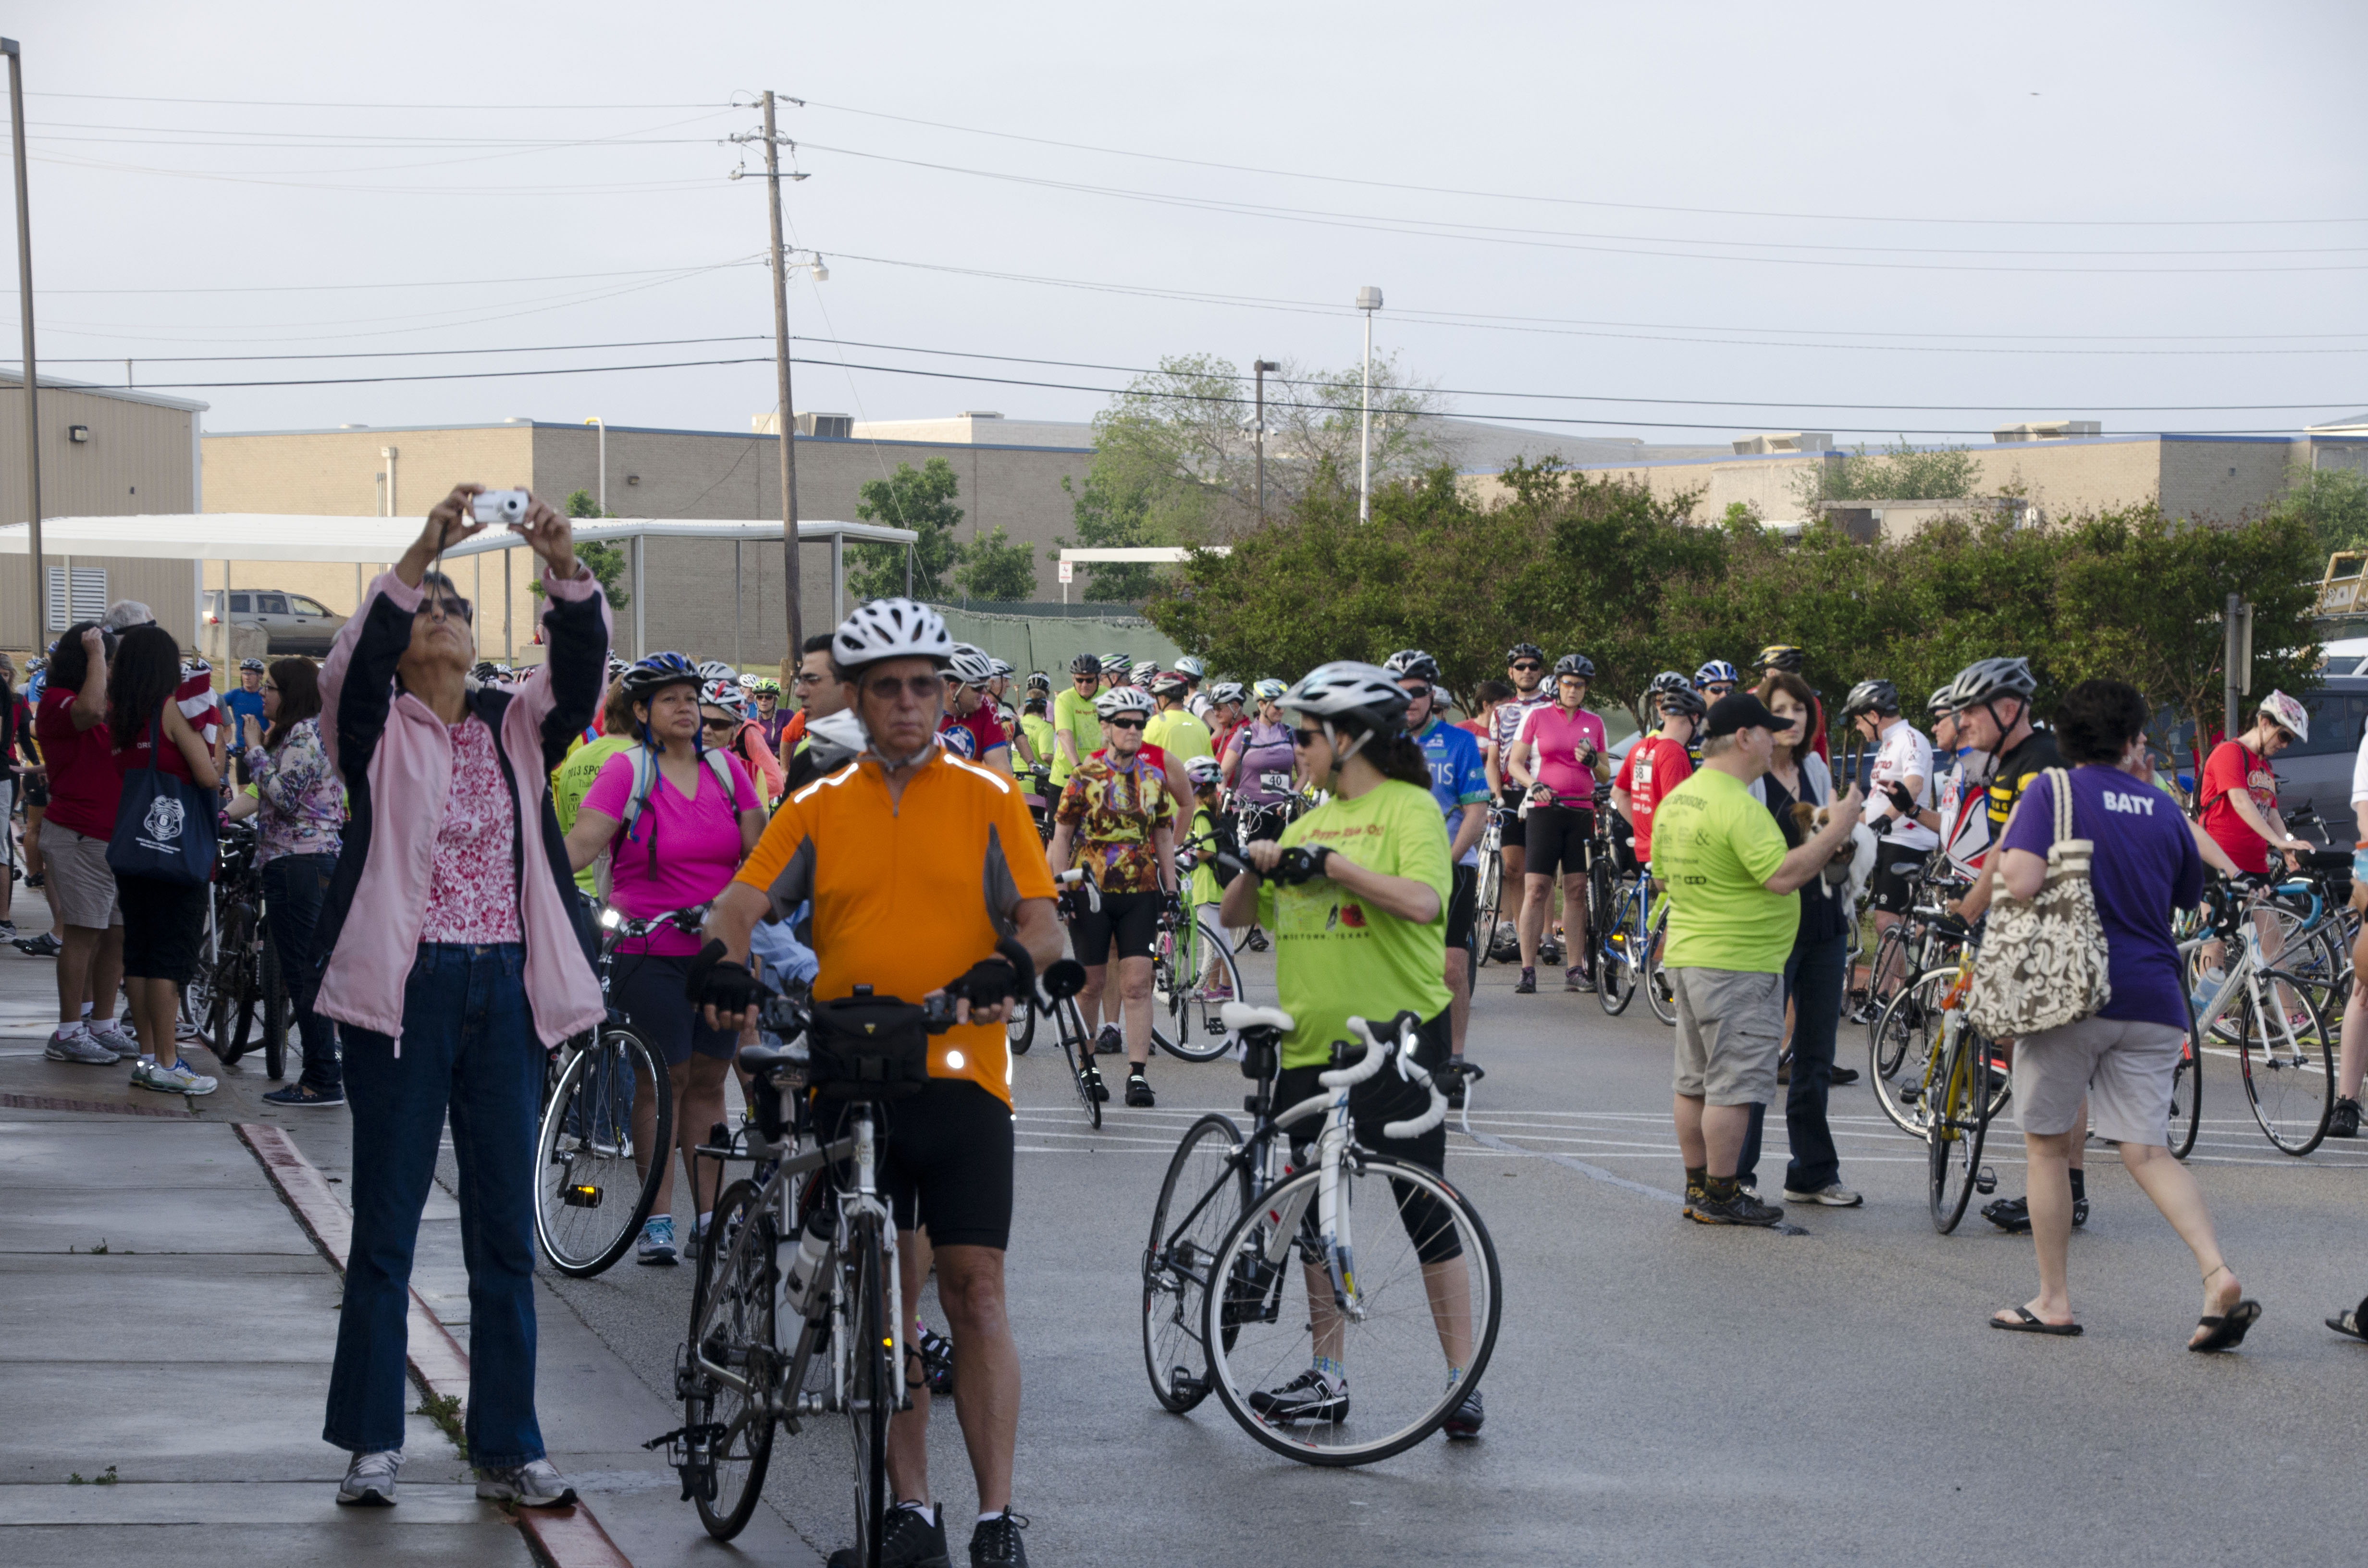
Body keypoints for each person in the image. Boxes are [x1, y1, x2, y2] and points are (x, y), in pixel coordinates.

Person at [694, 595, 1060, 1568]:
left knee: (976, 1292)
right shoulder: (818, 805)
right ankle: (912, 1506)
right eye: (887, 687)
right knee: (886, 1300)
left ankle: (995, 1517)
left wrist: (1009, 963)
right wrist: (722, 958)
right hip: (852, 1069)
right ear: (856, 699)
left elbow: (1043, 921)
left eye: (924, 686)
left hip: (963, 1073)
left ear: (944, 694)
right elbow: (740, 901)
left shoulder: (987, 796)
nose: (908, 703)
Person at [312, 484, 607, 1511]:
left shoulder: (515, 725)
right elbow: (352, 663)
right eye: (424, 608)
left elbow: (580, 673)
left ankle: (509, 1448)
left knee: (503, 1239)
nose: (440, 615)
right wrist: (423, 547)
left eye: (456, 606)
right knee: (386, 1229)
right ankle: (371, 1445)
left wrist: (562, 566)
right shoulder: (370, 728)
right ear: (398, 643)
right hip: (407, 995)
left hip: (506, 992)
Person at [1213, 661, 1482, 1439]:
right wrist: (1254, 860)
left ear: (1350, 738)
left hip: (1395, 1038)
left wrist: (1332, 868)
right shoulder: (1307, 819)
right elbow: (1237, 915)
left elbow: (1424, 901)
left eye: (1305, 736)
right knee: (1313, 1212)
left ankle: (1461, 1378)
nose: (1292, 747)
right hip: (1309, 1042)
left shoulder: (1408, 808)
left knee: (1423, 1206)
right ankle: (1326, 1375)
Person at [1984, 679, 2258, 1351]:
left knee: (2048, 1147)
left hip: (2072, 993)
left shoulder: (2052, 791)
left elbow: (2020, 880)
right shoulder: (2162, 806)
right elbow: (2186, 894)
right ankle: (2215, 1272)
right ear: (2135, 739)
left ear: (2066, 736)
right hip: (2155, 998)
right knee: (2147, 1151)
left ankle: (2052, 1301)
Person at [564, 656, 765, 1265]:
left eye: (691, 698)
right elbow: (580, 845)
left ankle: (709, 1218)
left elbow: (764, 854)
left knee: (707, 1083)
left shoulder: (727, 771)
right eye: (671, 699)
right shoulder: (626, 771)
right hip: (648, 949)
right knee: (663, 1081)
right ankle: (657, 1221)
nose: (686, 708)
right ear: (641, 710)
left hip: (719, 956)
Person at [1653, 692, 1861, 1227]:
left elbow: (1661, 877)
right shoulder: (1739, 806)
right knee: (1733, 1085)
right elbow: (1783, 876)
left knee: (1693, 1082)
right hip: (1738, 962)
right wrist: (1838, 828)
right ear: (1744, 738)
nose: (1776, 740)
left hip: (1691, 953)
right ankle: (1722, 1192)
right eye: (1768, 731)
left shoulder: (1681, 799)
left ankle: (1697, 1186)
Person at [1946, 657, 2084, 1236]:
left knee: (2051, 1063)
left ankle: (2065, 1188)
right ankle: (2063, 1186)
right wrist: (1969, 907)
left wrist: (1981, 912)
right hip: (2020, 922)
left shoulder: (2040, 764)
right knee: (2034, 1056)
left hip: (2049, 927)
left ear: (2007, 709)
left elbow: (2027, 857)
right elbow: (2001, 845)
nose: (1960, 722)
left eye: (1970, 711)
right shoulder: (2007, 763)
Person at [1736, 671, 1858, 1206]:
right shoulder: (1749, 778)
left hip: (1825, 922)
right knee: (1759, 1053)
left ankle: (1812, 1172)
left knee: (1815, 1054)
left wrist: (1845, 841)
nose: (1793, 719)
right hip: (1770, 927)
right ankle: (1735, 1175)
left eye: (1801, 709)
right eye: (1781, 709)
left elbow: (1829, 835)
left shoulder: (1814, 768)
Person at [106, 626, 225, 1093]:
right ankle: (170, 1062)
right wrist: (220, 740)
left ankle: (148, 1059)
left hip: (133, 851)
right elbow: (208, 776)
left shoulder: (121, 716)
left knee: (139, 955)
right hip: (175, 855)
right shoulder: (170, 710)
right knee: (170, 960)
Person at [1048, 684, 1179, 1108]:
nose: (1133, 730)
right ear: (1105, 727)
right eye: (1124, 723)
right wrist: (1059, 888)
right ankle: (1087, 1066)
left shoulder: (1153, 778)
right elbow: (1062, 835)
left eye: (1140, 723)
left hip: (1141, 891)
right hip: (1090, 891)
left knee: (1138, 985)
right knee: (1091, 985)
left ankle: (1137, 1075)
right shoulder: (1084, 776)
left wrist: (1171, 890)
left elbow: (1163, 836)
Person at [243, 659, 347, 1107]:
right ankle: (321, 1072)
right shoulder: (309, 733)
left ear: (292, 693)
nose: (262, 694)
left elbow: (285, 796)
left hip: (299, 864)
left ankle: (321, 1077)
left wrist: (254, 750)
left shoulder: (306, 734)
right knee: (309, 971)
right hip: (303, 864)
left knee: (306, 975)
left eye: (270, 687)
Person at [34, 623, 137, 1067]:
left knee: (115, 932)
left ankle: (102, 1023)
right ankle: (68, 1031)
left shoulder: (103, 699)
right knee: (83, 932)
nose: (111, 670)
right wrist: (96, 653)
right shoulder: (58, 701)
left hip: (112, 834)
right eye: (107, 662)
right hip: (80, 833)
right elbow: (90, 711)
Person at [1390, 651, 1489, 1068]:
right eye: (1399, 693)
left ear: (1432, 695)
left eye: (1417, 692)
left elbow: (1477, 811)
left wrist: (1447, 861)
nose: (1409, 701)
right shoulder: (1380, 744)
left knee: (1452, 967)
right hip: (1393, 871)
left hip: (1452, 867)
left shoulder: (1459, 742)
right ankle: (1392, 1052)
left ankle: (1454, 1057)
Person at [1505, 653, 1610, 993]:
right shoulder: (1537, 717)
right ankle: (1527, 969)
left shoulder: (1594, 723)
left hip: (1581, 811)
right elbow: (1515, 763)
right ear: (1558, 685)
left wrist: (1593, 762)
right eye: (1568, 684)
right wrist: (1533, 784)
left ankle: (1575, 968)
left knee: (1577, 889)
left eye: (1580, 685)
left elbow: (1605, 773)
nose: (1573, 690)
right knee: (1537, 888)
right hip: (1545, 809)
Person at [1846, 678, 1937, 1008]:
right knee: (1890, 924)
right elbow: (1875, 802)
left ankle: (1887, 998)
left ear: (1874, 715)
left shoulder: (1911, 739)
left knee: (1887, 921)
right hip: (1884, 838)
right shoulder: (1887, 745)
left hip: (1906, 840)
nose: (1858, 728)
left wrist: (1886, 819)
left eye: (1858, 721)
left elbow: (1913, 786)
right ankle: (1895, 996)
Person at [1482, 643, 1552, 943]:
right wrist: (1496, 795)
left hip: (1544, 792)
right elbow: (1493, 759)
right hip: (1511, 793)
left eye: (1533, 666)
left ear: (1541, 671)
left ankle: (1546, 935)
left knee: (1542, 869)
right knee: (1513, 868)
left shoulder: (1552, 707)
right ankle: (1524, 936)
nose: (1527, 671)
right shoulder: (1501, 712)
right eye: (1520, 667)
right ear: (1510, 673)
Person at [1610, 685, 1700, 872]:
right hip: (1670, 853)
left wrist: (1644, 831)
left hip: (1645, 849)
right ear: (1695, 718)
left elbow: (1618, 793)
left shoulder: (1640, 748)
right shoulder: (1675, 753)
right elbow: (1676, 810)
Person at [701, 676, 783, 801]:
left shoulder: (748, 733)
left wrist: (739, 802)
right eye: (701, 721)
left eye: (719, 724)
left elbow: (775, 781)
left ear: (735, 727)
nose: (706, 730)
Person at [939, 647, 1013, 777]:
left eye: (985, 686)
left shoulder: (985, 707)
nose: (984, 692)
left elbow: (1001, 768)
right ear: (954, 688)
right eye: (978, 687)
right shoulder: (927, 709)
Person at [1754, 645, 1830, 764]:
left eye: (1763, 675)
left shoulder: (1757, 699)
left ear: (1772, 674)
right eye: (1779, 710)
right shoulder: (1813, 701)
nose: (1763, 681)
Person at [1051, 653, 1106, 792]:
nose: (1084, 685)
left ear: (1099, 678)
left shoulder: (1108, 696)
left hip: (1100, 776)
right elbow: (1064, 734)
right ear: (1073, 679)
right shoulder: (1065, 699)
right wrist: (1078, 767)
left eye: (1089, 680)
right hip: (1066, 779)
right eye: (1080, 680)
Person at [1143, 671, 1215, 774]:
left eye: (1155, 698)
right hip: (1194, 784)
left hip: (1163, 784)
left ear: (1162, 699)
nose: (1154, 704)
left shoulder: (1152, 724)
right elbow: (1210, 763)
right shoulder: (1200, 725)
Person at [225, 658, 269, 771]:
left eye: (251, 674)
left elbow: (275, 724)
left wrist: (264, 741)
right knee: (243, 782)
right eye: (244, 673)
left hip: (264, 748)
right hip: (242, 749)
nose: (247, 677)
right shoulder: (235, 695)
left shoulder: (266, 696)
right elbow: (215, 706)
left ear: (260, 676)